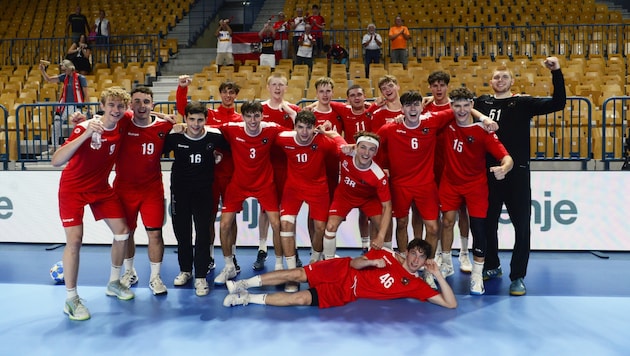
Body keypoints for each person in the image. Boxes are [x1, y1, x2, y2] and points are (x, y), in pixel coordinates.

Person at [376, 90, 496, 288]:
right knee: (402, 223)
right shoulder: (390, 128)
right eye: (408, 106)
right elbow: (371, 143)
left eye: (416, 105)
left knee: (433, 227)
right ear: (402, 109)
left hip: (426, 184)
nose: (412, 109)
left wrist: (484, 118)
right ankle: (407, 267)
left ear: (422, 107)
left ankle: (428, 268)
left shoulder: (433, 120)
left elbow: (463, 108)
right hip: (400, 185)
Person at [473, 57, 566, 296]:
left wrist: (556, 72)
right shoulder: (482, 103)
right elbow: (457, 106)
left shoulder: (523, 102)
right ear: (490, 82)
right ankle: (492, 265)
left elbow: (558, 102)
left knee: (522, 226)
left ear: (512, 82)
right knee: (487, 224)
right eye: (496, 77)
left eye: (505, 77)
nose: (500, 80)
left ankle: (518, 276)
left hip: (518, 173)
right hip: (489, 173)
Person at [51, 87, 134, 321]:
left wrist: (166, 118)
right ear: (102, 106)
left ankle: (114, 282)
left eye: (120, 106)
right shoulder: (84, 127)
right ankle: (71, 299)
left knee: (122, 233)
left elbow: (143, 113)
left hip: (100, 188)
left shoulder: (123, 120)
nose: (116, 110)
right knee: (74, 241)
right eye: (111, 105)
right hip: (73, 189)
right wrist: (85, 133)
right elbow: (57, 160)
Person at [223, 238, 457, 309]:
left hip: (347, 291)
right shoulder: (385, 255)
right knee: (296, 275)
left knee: (301, 298)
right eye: (413, 254)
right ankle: (243, 283)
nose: (416, 260)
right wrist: (371, 264)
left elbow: (450, 304)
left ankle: (246, 299)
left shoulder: (415, 285)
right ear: (407, 252)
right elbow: (355, 263)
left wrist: (437, 275)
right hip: (341, 268)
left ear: (426, 260)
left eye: (421, 257)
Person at [439, 87, 513, 295]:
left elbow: (507, 158)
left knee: (479, 229)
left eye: (465, 105)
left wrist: (504, 168)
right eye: (457, 106)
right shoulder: (445, 124)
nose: (461, 110)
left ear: (472, 106)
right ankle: (446, 264)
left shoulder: (484, 130)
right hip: (450, 183)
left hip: (475, 186)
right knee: (446, 222)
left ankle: (477, 275)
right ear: (451, 107)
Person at [214, 101, 287, 285]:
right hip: (238, 184)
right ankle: (229, 266)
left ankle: (279, 266)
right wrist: (181, 126)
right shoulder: (232, 128)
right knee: (224, 225)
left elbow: (296, 133)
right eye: (249, 116)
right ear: (243, 116)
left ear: (262, 116)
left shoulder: (271, 128)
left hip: (265, 184)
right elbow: (205, 129)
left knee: (277, 224)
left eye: (256, 116)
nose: (253, 120)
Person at [163, 101, 230, 296]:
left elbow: (232, 150)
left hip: (204, 193)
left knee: (202, 234)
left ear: (206, 120)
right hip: (180, 192)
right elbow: (155, 149)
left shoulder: (215, 136)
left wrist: (218, 155)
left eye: (200, 120)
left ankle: (200, 276)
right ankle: (185, 270)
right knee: (182, 233)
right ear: (185, 119)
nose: (195, 124)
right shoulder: (175, 136)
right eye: (191, 119)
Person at [274, 110, 347, 291]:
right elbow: (265, 133)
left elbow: (343, 148)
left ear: (314, 128)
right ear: (294, 127)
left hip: (318, 189)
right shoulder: (283, 138)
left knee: (320, 228)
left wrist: (331, 133)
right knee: (285, 224)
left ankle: (315, 261)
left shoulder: (322, 141)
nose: (304, 132)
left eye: (308, 128)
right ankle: (292, 274)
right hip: (293, 189)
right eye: (300, 127)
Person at [176, 77, 242, 272]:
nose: (228, 95)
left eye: (232, 92)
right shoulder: (210, 115)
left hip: (231, 176)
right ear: (220, 94)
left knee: (231, 220)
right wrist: (182, 88)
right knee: (208, 217)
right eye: (225, 92)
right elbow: (183, 109)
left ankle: (233, 256)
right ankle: (210, 256)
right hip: (209, 176)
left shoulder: (240, 119)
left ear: (236, 96)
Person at [114, 87, 174, 296]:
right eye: (137, 102)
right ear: (131, 105)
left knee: (155, 234)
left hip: (151, 190)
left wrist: (170, 118)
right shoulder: (123, 121)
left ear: (152, 105)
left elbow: (180, 125)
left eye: (146, 102)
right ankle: (129, 272)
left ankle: (155, 277)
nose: (141, 106)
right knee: (126, 233)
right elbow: (105, 116)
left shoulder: (165, 126)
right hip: (124, 189)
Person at [424, 70, 471, 274]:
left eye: (442, 85)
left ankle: (463, 253)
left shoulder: (457, 106)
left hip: (455, 165)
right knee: (435, 215)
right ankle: (436, 256)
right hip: (431, 166)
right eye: (435, 85)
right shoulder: (425, 106)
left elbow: (473, 112)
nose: (438, 89)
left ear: (447, 87)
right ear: (430, 88)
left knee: (462, 212)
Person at [255, 73, 301, 272]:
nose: (277, 88)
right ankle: (262, 248)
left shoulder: (294, 110)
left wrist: (291, 112)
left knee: (288, 210)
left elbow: (303, 131)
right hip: (266, 165)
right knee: (265, 209)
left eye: (281, 85)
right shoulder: (260, 109)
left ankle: (293, 247)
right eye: (274, 84)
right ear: (268, 86)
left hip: (288, 166)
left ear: (286, 88)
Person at [322, 131, 392, 261]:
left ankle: (388, 260)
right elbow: (335, 135)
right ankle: (329, 262)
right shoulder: (345, 151)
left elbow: (387, 206)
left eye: (371, 150)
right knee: (330, 226)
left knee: (384, 228)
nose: (366, 153)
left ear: (375, 153)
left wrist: (381, 236)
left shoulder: (379, 175)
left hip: (368, 199)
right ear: (356, 147)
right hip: (344, 196)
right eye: (363, 147)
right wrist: (323, 131)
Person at [39, 59, 88, 147]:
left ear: (70, 67)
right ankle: (54, 146)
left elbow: (86, 94)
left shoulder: (80, 78)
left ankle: (78, 146)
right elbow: (49, 79)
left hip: (77, 106)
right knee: (56, 123)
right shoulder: (64, 77)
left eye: (65, 69)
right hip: (64, 105)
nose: (63, 71)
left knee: (77, 126)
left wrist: (87, 107)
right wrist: (42, 70)